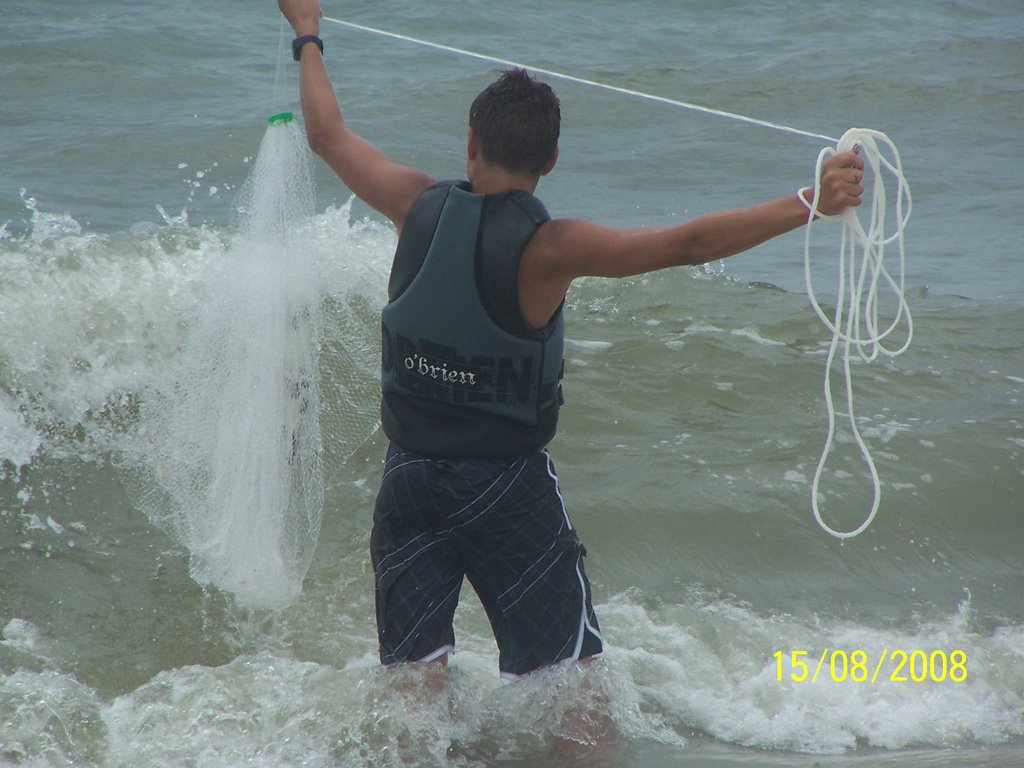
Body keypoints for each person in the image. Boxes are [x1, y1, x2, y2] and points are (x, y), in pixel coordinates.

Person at [277, 0, 864, 680]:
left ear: (471, 141)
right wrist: (811, 201)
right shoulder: (552, 248)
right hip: (506, 487)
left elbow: (326, 134)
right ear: (551, 160)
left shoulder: (413, 202)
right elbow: (689, 243)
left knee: (416, 688)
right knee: (573, 692)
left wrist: (308, 30)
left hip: (410, 480)